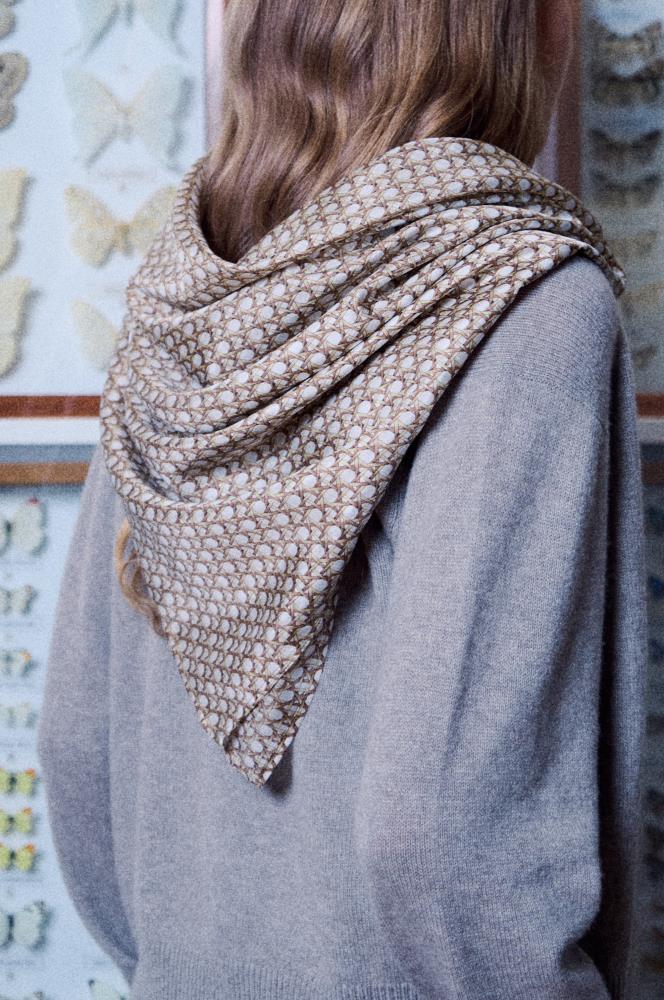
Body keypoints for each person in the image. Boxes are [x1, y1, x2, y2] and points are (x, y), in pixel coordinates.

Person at [37, 2, 648, 998]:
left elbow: (76, 755)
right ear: (505, 26)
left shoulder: (177, 298)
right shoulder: (530, 303)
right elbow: (444, 838)